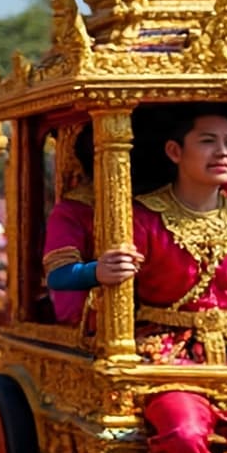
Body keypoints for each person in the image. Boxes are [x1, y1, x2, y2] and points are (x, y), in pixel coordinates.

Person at [82, 105, 227, 453]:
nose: (222, 152)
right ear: (174, 151)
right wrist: (101, 273)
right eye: (207, 141)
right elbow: (103, 306)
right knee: (185, 431)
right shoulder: (141, 218)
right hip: (169, 357)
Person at [42, 126, 143, 326]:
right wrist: (96, 272)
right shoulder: (73, 210)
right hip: (93, 322)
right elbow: (58, 275)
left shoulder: (155, 204)